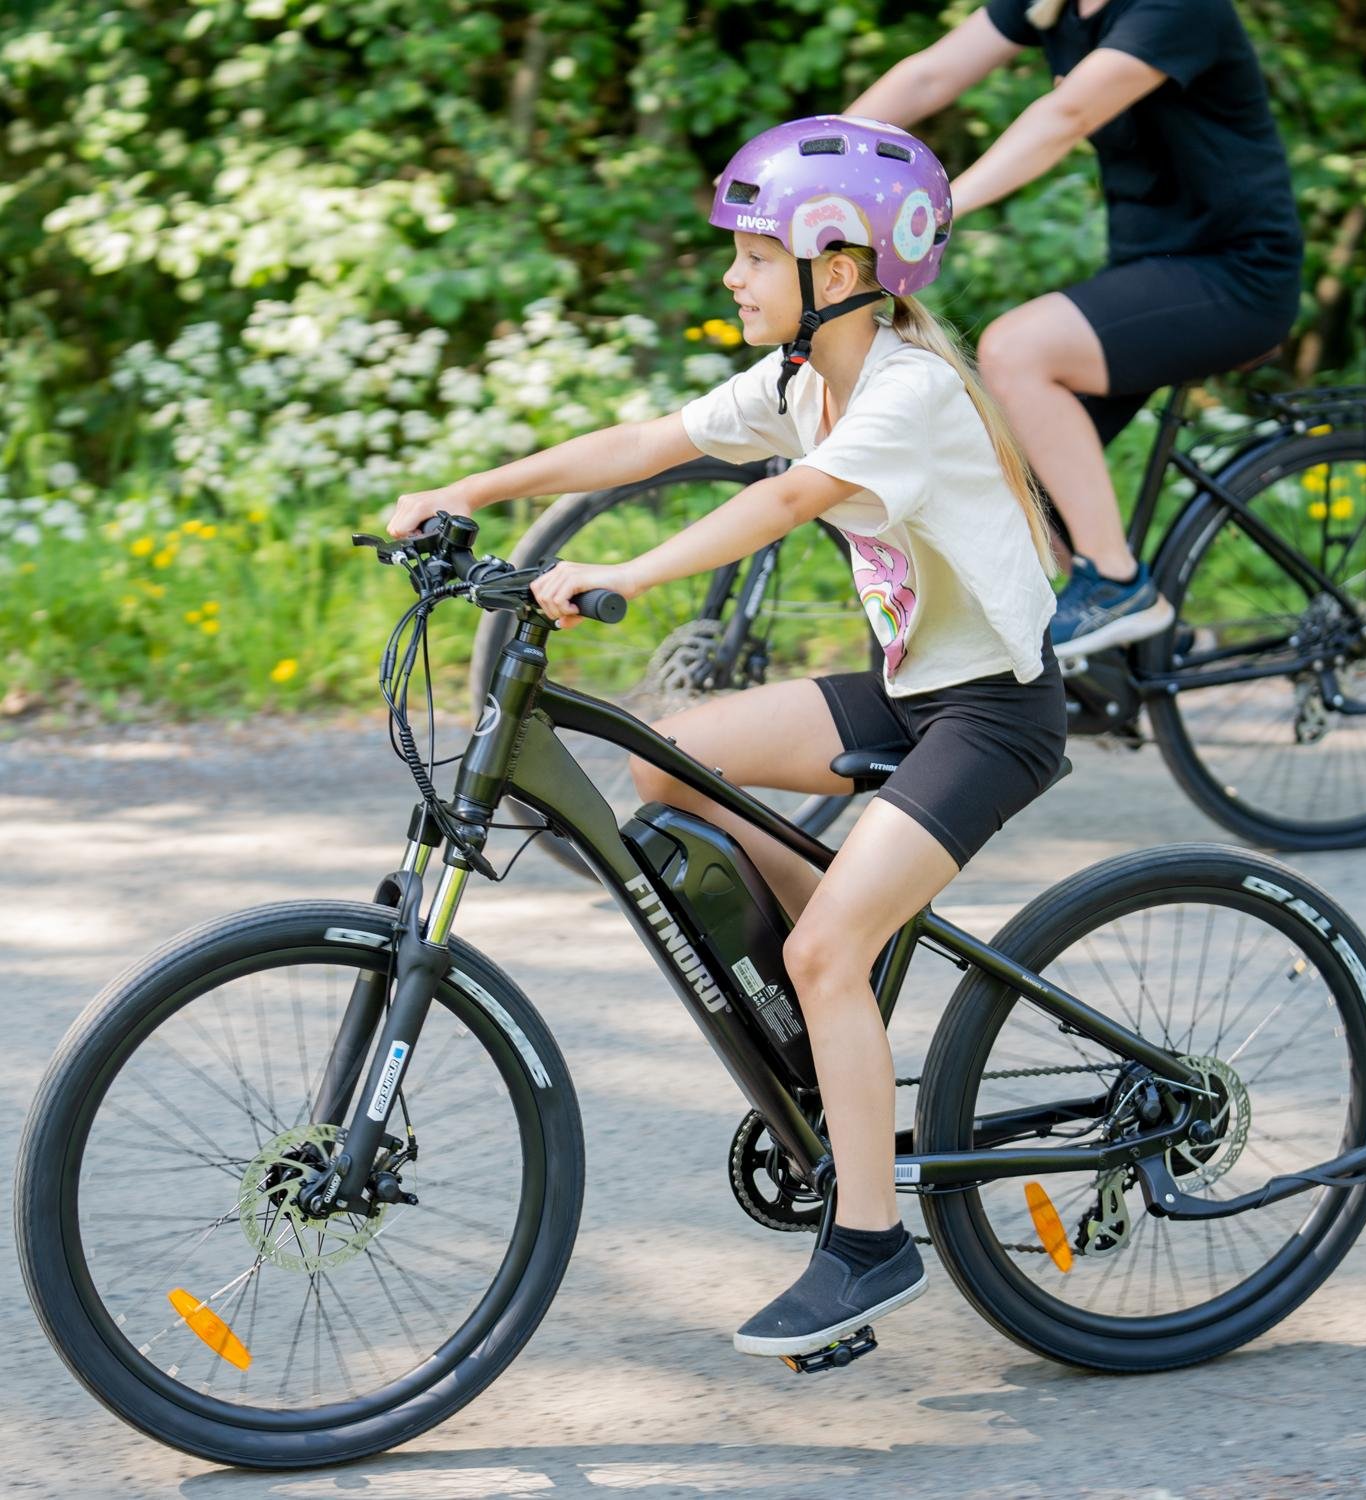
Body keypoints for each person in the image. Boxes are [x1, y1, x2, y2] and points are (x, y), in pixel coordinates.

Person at [387, 116, 1066, 1359]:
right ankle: (839, 967)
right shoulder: (805, 380)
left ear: (845, 271)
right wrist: (470, 491)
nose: (730, 276)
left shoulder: (905, 390)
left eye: (754, 257)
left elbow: (794, 498)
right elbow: (649, 446)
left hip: (995, 715)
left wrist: (629, 574)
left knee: (820, 955)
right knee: (667, 756)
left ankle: (870, 1246)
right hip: (909, 687)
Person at [847, 0, 1304, 655]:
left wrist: (940, 207)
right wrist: (804, 158)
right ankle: (1125, 649)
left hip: (1236, 274)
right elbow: (929, 77)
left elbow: (1067, 114)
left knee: (1017, 351)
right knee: (989, 449)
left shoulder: (1177, 8)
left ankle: (1114, 583)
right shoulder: (1047, 6)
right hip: (1149, 272)